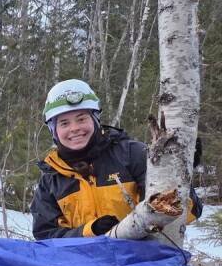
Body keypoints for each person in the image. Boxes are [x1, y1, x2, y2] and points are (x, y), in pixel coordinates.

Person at [31, 78, 202, 240]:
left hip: (144, 263)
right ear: (54, 131)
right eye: (64, 123)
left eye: (81, 119)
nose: (74, 128)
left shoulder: (132, 155)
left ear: (95, 120)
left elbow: (187, 211)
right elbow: (45, 236)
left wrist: (178, 174)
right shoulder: (51, 180)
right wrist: (89, 231)